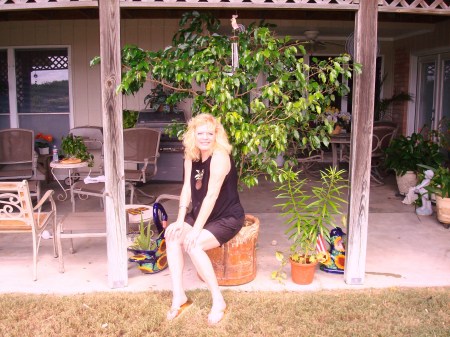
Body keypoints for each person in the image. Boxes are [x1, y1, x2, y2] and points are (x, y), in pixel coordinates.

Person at [164, 113, 245, 324]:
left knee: (193, 244)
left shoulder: (220, 157)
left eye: (210, 133)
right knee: (172, 235)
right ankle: (179, 296)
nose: (205, 137)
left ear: (216, 135)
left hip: (226, 216)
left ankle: (218, 301)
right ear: (194, 135)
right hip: (200, 213)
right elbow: (187, 189)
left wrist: (196, 230)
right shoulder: (192, 154)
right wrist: (181, 220)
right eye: (201, 133)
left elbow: (211, 196)